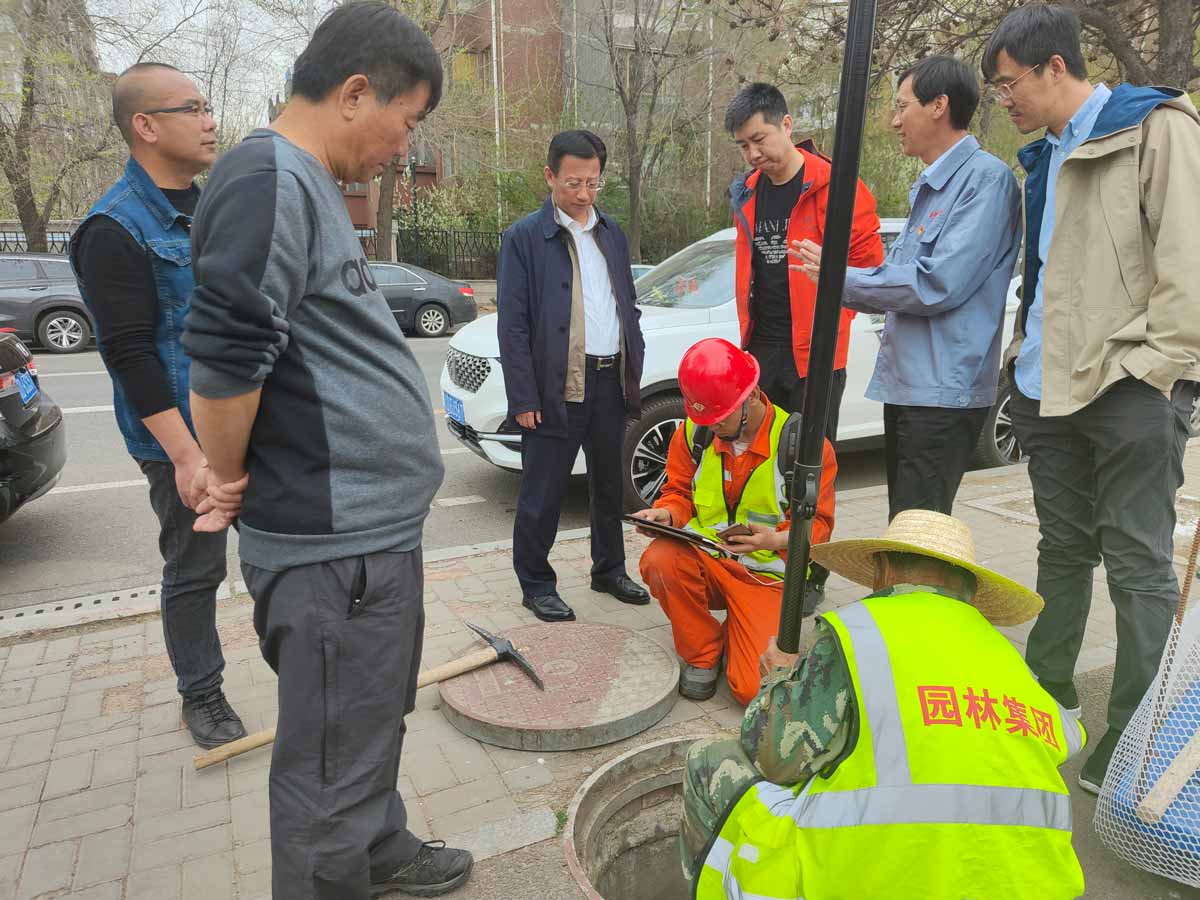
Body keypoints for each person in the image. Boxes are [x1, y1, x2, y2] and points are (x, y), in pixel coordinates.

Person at [180, 4, 471, 897]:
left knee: (369, 723)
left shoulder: (303, 187)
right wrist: (223, 476)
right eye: (408, 119)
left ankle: (379, 851)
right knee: (325, 780)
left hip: (367, 544)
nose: (402, 143)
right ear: (355, 93)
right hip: (334, 554)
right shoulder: (267, 179)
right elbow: (227, 358)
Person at [981, 3, 1200, 794]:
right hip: (1047, 391)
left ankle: (1133, 740)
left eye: (1009, 84)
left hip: (1127, 389)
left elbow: (1188, 265)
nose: (1002, 99)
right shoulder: (1044, 155)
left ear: (1055, 68)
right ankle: (1046, 703)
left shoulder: (1157, 127)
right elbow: (1045, 279)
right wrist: (1019, 362)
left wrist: (1152, 369)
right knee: (1062, 551)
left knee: (1139, 565)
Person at [682, 510, 1087, 900]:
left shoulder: (858, 631)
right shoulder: (1008, 658)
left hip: (878, 881)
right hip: (1034, 887)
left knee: (709, 759)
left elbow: (774, 757)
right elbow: (1069, 739)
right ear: (970, 589)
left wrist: (779, 680)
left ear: (883, 571)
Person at [69, 62, 247, 750]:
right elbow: (130, 354)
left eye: (208, 105)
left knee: (278, 553)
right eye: (193, 107)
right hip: (185, 445)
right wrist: (187, 456)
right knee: (196, 568)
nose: (210, 121)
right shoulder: (112, 228)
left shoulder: (214, 208)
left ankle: (299, 663)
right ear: (146, 125)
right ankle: (201, 695)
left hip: (249, 423)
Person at [790, 56, 1022, 522]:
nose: (895, 120)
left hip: (942, 393)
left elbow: (937, 283)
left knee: (920, 533)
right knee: (905, 525)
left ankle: (918, 596)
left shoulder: (986, 180)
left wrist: (838, 277)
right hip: (911, 387)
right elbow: (898, 276)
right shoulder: (931, 186)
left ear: (939, 106)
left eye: (902, 106)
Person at [630, 338, 836, 706]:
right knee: (659, 558)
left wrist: (773, 540)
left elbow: (819, 527)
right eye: (704, 418)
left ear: (753, 395)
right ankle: (703, 654)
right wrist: (665, 514)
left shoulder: (804, 445)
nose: (713, 427)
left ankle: (738, 633)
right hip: (708, 560)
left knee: (753, 690)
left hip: (766, 577)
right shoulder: (695, 432)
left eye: (720, 417)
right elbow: (679, 491)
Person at [498, 130, 648, 623]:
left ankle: (609, 569)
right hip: (555, 387)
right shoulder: (525, 238)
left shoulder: (612, 233)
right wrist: (523, 394)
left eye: (592, 182)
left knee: (608, 486)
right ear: (550, 177)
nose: (583, 194)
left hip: (609, 381)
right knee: (543, 491)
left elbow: (626, 304)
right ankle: (536, 583)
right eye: (572, 183)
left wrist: (632, 367)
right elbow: (513, 325)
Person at [724, 82, 884, 438]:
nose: (753, 153)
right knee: (762, 460)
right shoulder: (747, 192)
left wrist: (833, 317)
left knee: (812, 465)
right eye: (743, 146)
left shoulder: (835, 185)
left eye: (759, 139)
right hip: (761, 350)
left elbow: (870, 267)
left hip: (816, 356)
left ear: (786, 124)